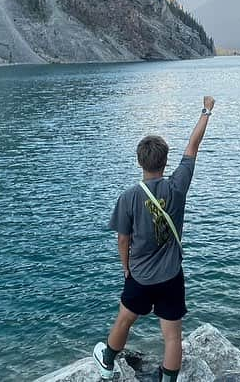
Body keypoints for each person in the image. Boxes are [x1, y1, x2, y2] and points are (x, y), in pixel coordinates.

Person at [93, 96, 216, 382]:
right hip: (171, 275)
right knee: (172, 336)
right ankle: (168, 379)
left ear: (140, 161)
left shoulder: (129, 197)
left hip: (140, 276)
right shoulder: (177, 186)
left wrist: (125, 267)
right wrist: (206, 111)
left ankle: (107, 361)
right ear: (165, 160)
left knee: (125, 319)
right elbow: (193, 146)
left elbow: (123, 239)